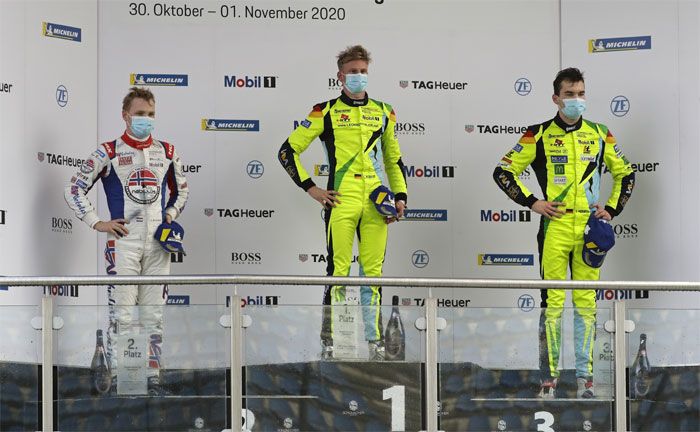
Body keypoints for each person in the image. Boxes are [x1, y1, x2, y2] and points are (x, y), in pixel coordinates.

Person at [492, 68, 635, 399]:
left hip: (589, 229)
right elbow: (502, 172)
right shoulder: (537, 134)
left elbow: (626, 174)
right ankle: (549, 381)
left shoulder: (601, 133)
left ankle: (586, 379)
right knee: (552, 304)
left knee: (586, 304)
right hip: (554, 226)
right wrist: (532, 202)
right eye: (569, 94)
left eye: (581, 93)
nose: (576, 100)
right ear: (556, 98)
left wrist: (612, 210)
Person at [278, 45, 408, 361]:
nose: (358, 76)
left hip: (378, 203)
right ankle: (329, 343)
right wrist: (312, 188)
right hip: (342, 201)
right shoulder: (325, 111)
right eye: (352, 72)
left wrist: (400, 196)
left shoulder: (385, 111)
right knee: (337, 272)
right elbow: (286, 151)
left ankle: (375, 344)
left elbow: (394, 159)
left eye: (363, 71)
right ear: (340, 76)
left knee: (373, 274)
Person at [65, 87, 189, 395]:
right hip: (123, 243)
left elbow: (182, 191)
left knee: (154, 316)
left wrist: (170, 216)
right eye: (139, 114)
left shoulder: (168, 151)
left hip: (159, 245)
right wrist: (98, 222)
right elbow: (74, 189)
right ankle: (120, 381)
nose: (145, 120)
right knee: (121, 314)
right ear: (125, 115)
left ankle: (153, 380)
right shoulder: (107, 151)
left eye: (150, 115)